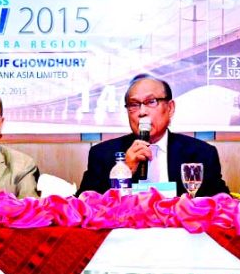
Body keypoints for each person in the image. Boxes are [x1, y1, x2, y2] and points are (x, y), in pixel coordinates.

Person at [78, 74, 229, 197]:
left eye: (151, 102)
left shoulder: (201, 153)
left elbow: (222, 203)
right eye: (134, 105)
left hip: (180, 233)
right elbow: (83, 206)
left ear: (170, 108)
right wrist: (124, 172)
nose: (142, 112)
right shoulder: (103, 154)